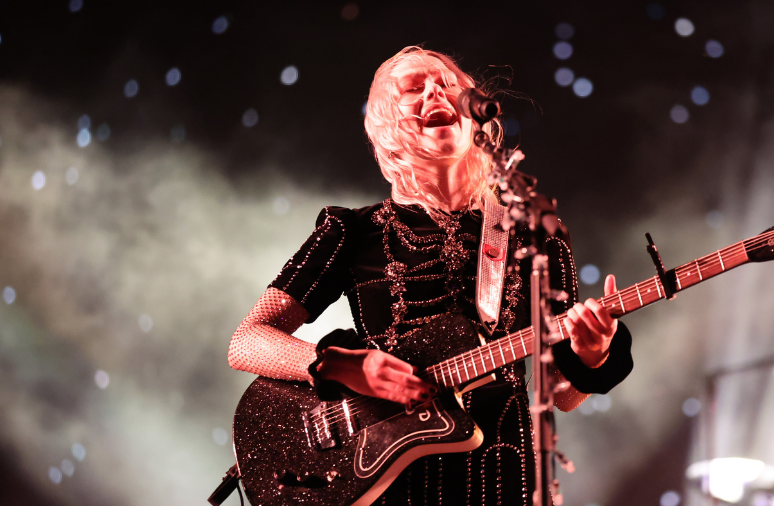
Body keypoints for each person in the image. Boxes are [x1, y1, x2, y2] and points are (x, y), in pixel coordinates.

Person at [227, 46, 633, 506]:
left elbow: (563, 395)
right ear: (385, 124)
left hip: (504, 477)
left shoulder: (536, 230)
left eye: (448, 84)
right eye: (413, 88)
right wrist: (342, 365)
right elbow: (246, 341)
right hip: (389, 478)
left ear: (476, 115)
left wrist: (592, 355)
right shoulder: (352, 231)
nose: (436, 92)